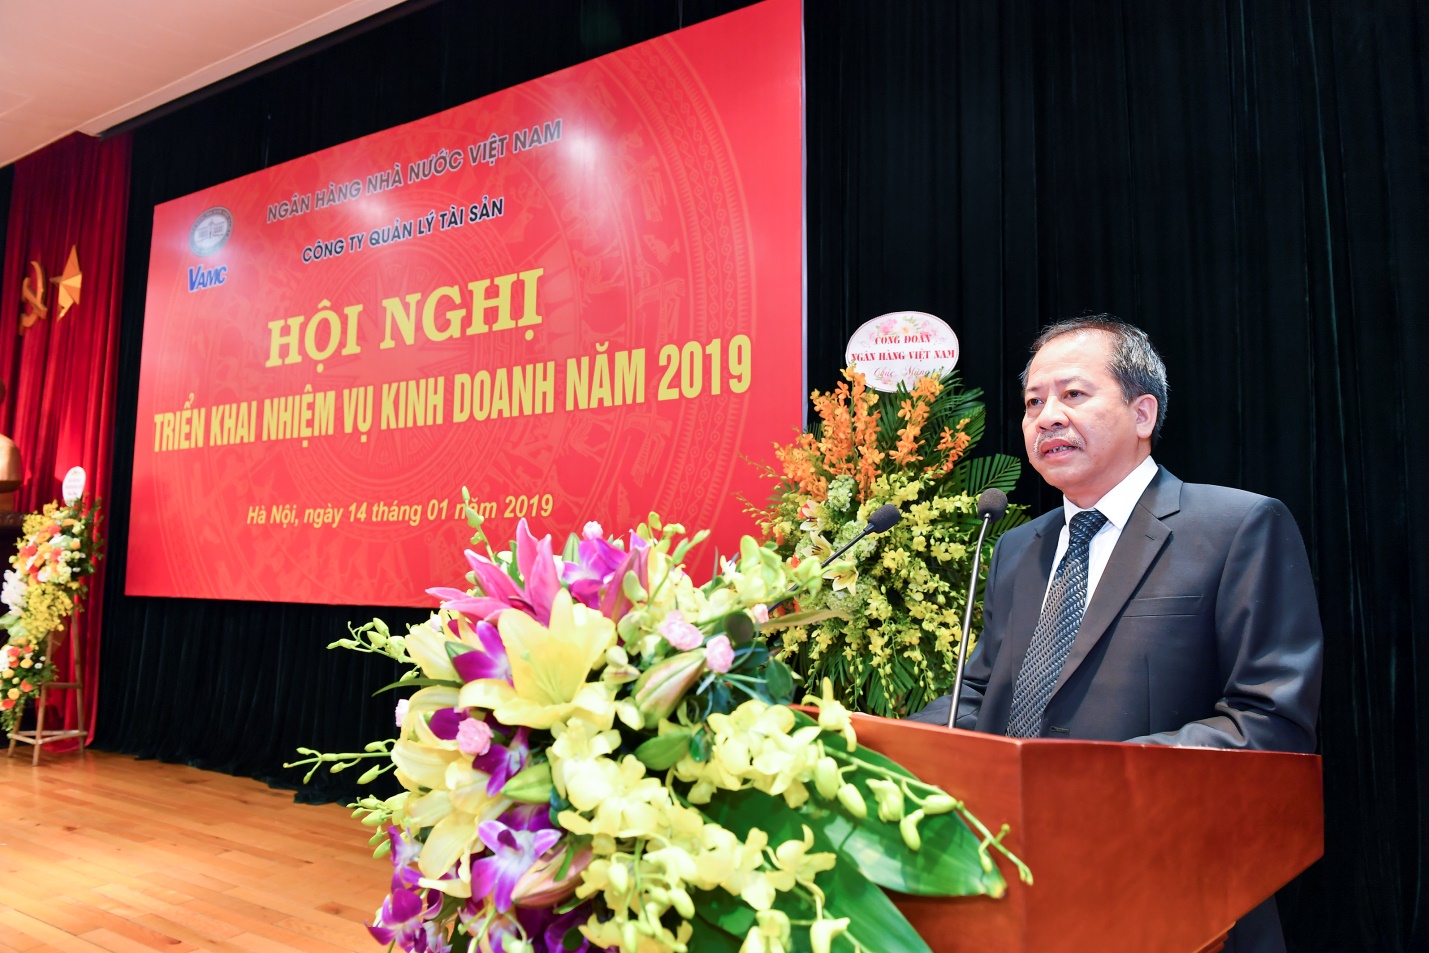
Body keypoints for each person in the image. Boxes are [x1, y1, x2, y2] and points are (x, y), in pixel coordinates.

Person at [908, 315, 1323, 953]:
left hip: (1173, 892)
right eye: (1033, 403)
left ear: (1142, 413)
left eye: (1072, 394)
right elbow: (983, 693)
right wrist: (873, 744)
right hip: (1016, 885)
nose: (1047, 417)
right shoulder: (1017, 548)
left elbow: (1268, 722)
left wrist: (1097, 782)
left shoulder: (1235, 526)